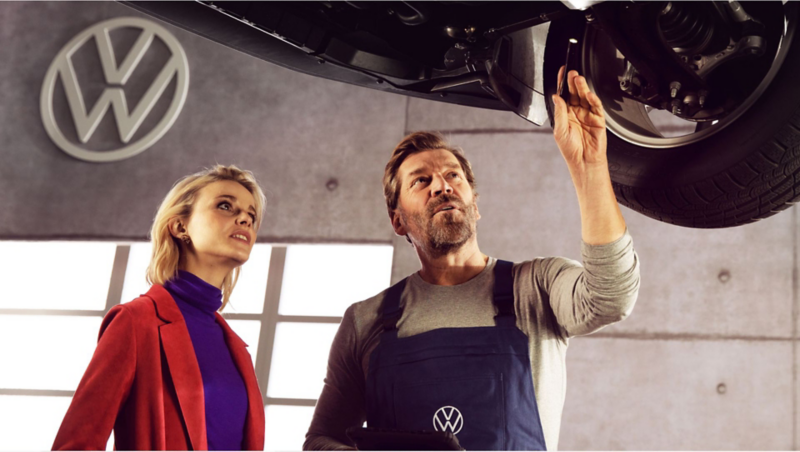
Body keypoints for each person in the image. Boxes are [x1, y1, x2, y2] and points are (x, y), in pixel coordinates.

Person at [304, 69, 640, 451]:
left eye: (453, 176)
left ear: (475, 206)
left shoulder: (537, 287)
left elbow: (612, 296)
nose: (442, 185)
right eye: (420, 181)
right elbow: (320, 441)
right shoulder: (365, 322)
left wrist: (590, 167)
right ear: (398, 220)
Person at [53, 165, 267, 451]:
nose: (245, 218)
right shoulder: (135, 321)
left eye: (251, 215)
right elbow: (76, 444)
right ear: (180, 227)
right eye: (226, 206)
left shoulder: (235, 347)